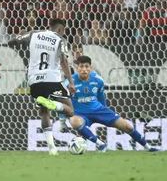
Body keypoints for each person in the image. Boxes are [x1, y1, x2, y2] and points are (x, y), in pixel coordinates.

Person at [8, 18, 76, 156]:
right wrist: (71, 82)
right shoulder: (60, 39)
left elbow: (13, 41)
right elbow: (63, 61)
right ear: (60, 29)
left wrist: (18, 36)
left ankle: (52, 148)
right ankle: (54, 105)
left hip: (34, 81)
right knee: (70, 110)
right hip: (52, 79)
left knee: (44, 112)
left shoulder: (33, 34)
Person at [68, 55, 158, 152]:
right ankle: (100, 144)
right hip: (80, 113)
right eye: (81, 66)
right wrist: (62, 118)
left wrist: (105, 112)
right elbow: (63, 99)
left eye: (86, 66)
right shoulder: (70, 82)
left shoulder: (98, 80)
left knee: (127, 126)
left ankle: (148, 147)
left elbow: (101, 98)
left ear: (91, 67)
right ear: (77, 68)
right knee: (74, 121)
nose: (84, 69)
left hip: (99, 110)